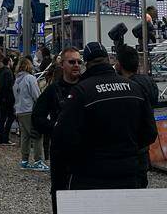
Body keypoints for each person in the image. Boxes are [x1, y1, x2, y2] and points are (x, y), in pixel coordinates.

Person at [56, 42, 157, 190]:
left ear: (87, 63)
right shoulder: (135, 88)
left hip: (91, 174)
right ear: (109, 60)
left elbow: (64, 136)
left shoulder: (81, 91)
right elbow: (150, 132)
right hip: (129, 170)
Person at [34, 47, 82, 214]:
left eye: (79, 62)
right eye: (72, 62)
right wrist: (55, 128)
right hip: (61, 150)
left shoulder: (86, 86)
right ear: (62, 65)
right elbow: (37, 117)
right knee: (59, 191)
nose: (76, 65)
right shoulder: (53, 89)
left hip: (84, 150)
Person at [114, 44, 159, 188]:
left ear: (119, 65)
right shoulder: (149, 81)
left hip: (130, 145)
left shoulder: (127, 87)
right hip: (143, 146)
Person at [12, 57, 47, 171]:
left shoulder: (17, 80)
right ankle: (38, 160)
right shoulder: (30, 78)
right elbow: (37, 95)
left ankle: (24, 160)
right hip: (29, 110)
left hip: (19, 111)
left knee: (25, 136)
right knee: (37, 135)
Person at [0, 57, 15, 145]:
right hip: (8, 99)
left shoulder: (1, 72)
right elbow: (8, 86)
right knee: (10, 117)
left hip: (1, 98)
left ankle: (1, 136)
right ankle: (5, 137)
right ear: (9, 62)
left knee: (2, 118)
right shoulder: (8, 72)